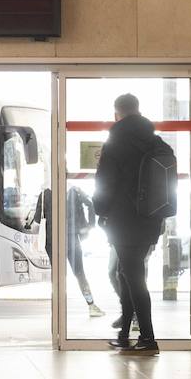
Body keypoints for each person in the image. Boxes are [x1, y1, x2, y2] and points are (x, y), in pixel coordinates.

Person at [93, 93, 172, 353]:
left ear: (117, 114)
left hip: (124, 221)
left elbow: (104, 182)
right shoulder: (155, 141)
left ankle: (148, 339)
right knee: (126, 273)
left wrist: (100, 210)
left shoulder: (115, 142)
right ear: (138, 110)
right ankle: (126, 334)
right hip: (150, 220)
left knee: (134, 277)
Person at [34, 185, 105, 317]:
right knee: (79, 273)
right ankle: (91, 305)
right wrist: (89, 226)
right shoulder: (75, 192)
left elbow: (38, 219)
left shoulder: (45, 195)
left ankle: (57, 310)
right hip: (72, 239)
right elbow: (90, 204)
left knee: (57, 277)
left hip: (52, 241)